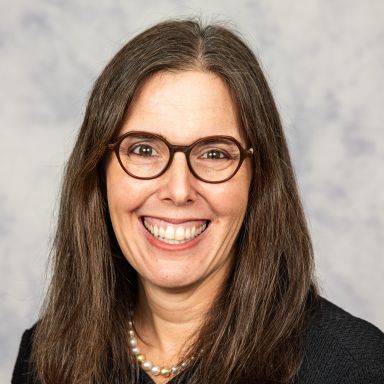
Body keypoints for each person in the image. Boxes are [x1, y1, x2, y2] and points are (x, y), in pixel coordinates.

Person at [12, 18, 384, 384]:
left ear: (259, 178)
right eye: (144, 149)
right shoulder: (45, 356)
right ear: (98, 171)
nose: (178, 189)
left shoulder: (353, 367)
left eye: (215, 154)